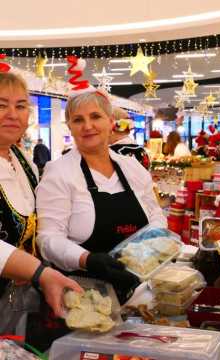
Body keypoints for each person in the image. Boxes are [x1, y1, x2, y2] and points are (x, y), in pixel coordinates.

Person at [36, 90, 167, 305]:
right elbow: (48, 239)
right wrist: (87, 259)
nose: (88, 126)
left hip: (140, 292)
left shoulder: (131, 167)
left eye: (95, 116)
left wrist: (149, 249)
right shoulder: (59, 173)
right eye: (78, 120)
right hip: (84, 298)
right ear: (70, 127)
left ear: (110, 121)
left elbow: (156, 216)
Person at [0, 71, 82, 332]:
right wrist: (40, 273)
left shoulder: (25, 163)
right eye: (1, 105)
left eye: (20, 106)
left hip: (19, 299)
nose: (13, 114)